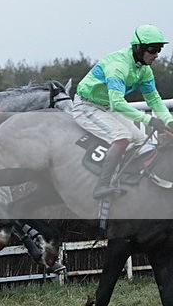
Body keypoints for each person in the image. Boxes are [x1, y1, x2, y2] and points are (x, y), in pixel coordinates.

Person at [72, 25, 173, 199]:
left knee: (141, 140)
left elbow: (154, 100)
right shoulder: (118, 66)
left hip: (106, 107)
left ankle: (130, 179)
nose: (156, 54)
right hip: (86, 106)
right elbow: (118, 102)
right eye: (153, 49)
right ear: (138, 48)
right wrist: (149, 121)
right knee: (121, 139)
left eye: (159, 49)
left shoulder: (145, 70)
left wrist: (169, 121)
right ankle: (102, 186)